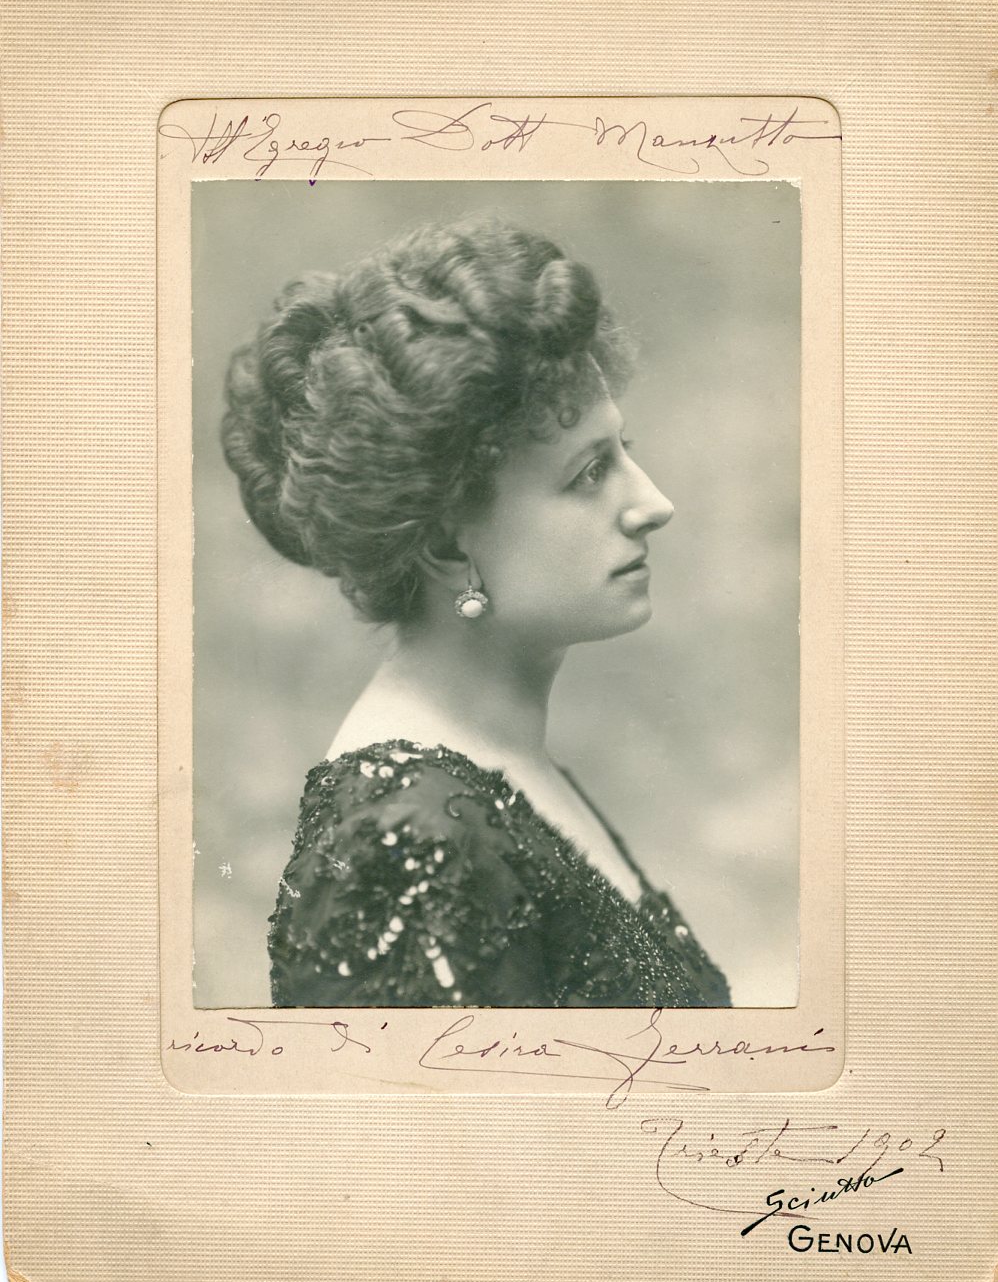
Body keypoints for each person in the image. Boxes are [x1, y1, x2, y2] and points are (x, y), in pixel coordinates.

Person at [221, 214, 730, 1009]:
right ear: (445, 543)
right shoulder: (406, 843)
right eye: (589, 473)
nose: (653, 505)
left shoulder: (503, 771)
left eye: (623, 452)